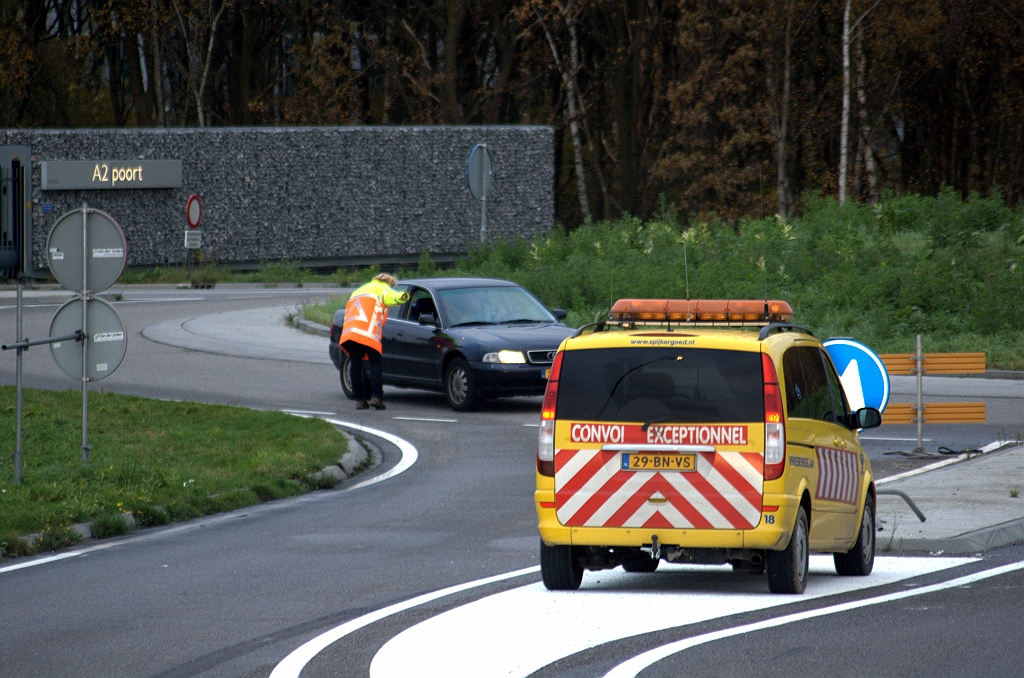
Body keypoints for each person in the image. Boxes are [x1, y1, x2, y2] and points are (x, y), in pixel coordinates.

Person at [339, 273, 409, 410]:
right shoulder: (382, 289)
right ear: (389, 283)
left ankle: (359, 399)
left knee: (355, 365)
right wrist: (403, 296)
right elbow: (392, 297)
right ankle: (377, 397)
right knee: (375, 363)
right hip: (368, 332)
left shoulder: (358, 291)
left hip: (351, 332)